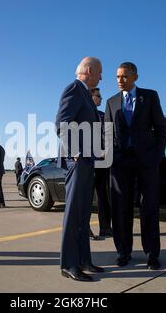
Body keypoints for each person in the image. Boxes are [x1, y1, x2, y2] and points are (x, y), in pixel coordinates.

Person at [105, 62, 166, 270]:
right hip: (120, 163)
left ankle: (152, 254)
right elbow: (106, 133)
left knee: (149, 207)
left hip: (146, 162)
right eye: (117, 77)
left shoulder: (149, 96)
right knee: (121, 209)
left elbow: (160, 128)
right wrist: (109, 156)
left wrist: (156, 156)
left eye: (124, 76)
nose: (119, 81)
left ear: (135, 77)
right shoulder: (111, 102)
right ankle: (123, 252)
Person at [56, 57, 105, 282]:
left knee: (84, 215)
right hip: (78, 161)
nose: (102, 77)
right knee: (74, 214)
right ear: (88, 70)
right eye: (99, 72)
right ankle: (69, 264)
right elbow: (62, 122)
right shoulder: (74, 89)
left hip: (88, 160)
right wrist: (75, 152)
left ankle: (84, 259)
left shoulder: (85, 93)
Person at [90, 87, 112, 238]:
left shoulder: (104, 116)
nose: (101, 99)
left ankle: (105, 228)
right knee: (84, 198)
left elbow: (109, 136)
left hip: (102, 164)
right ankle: (83, 228)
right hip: (86, 163)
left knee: (104, 196)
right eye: (98, 96)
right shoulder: (82, 116)